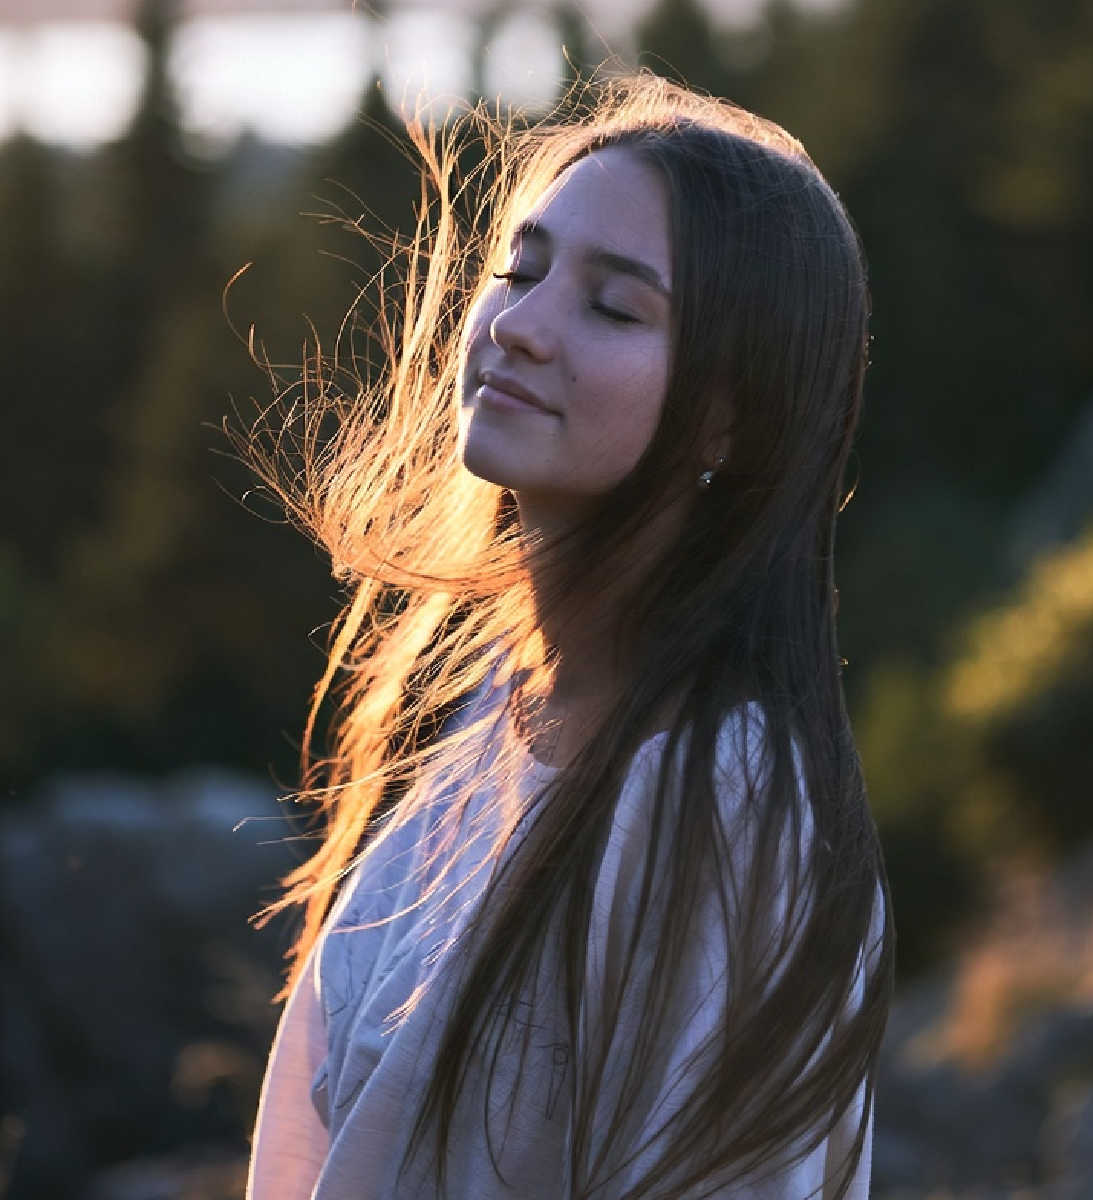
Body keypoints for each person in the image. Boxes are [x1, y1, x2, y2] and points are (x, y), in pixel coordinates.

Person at [241, 72, 894, 1199]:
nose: (519, 328)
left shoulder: (724, 810)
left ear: (734, 414)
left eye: (615, 306)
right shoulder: (487, 728)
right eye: (523, 268)